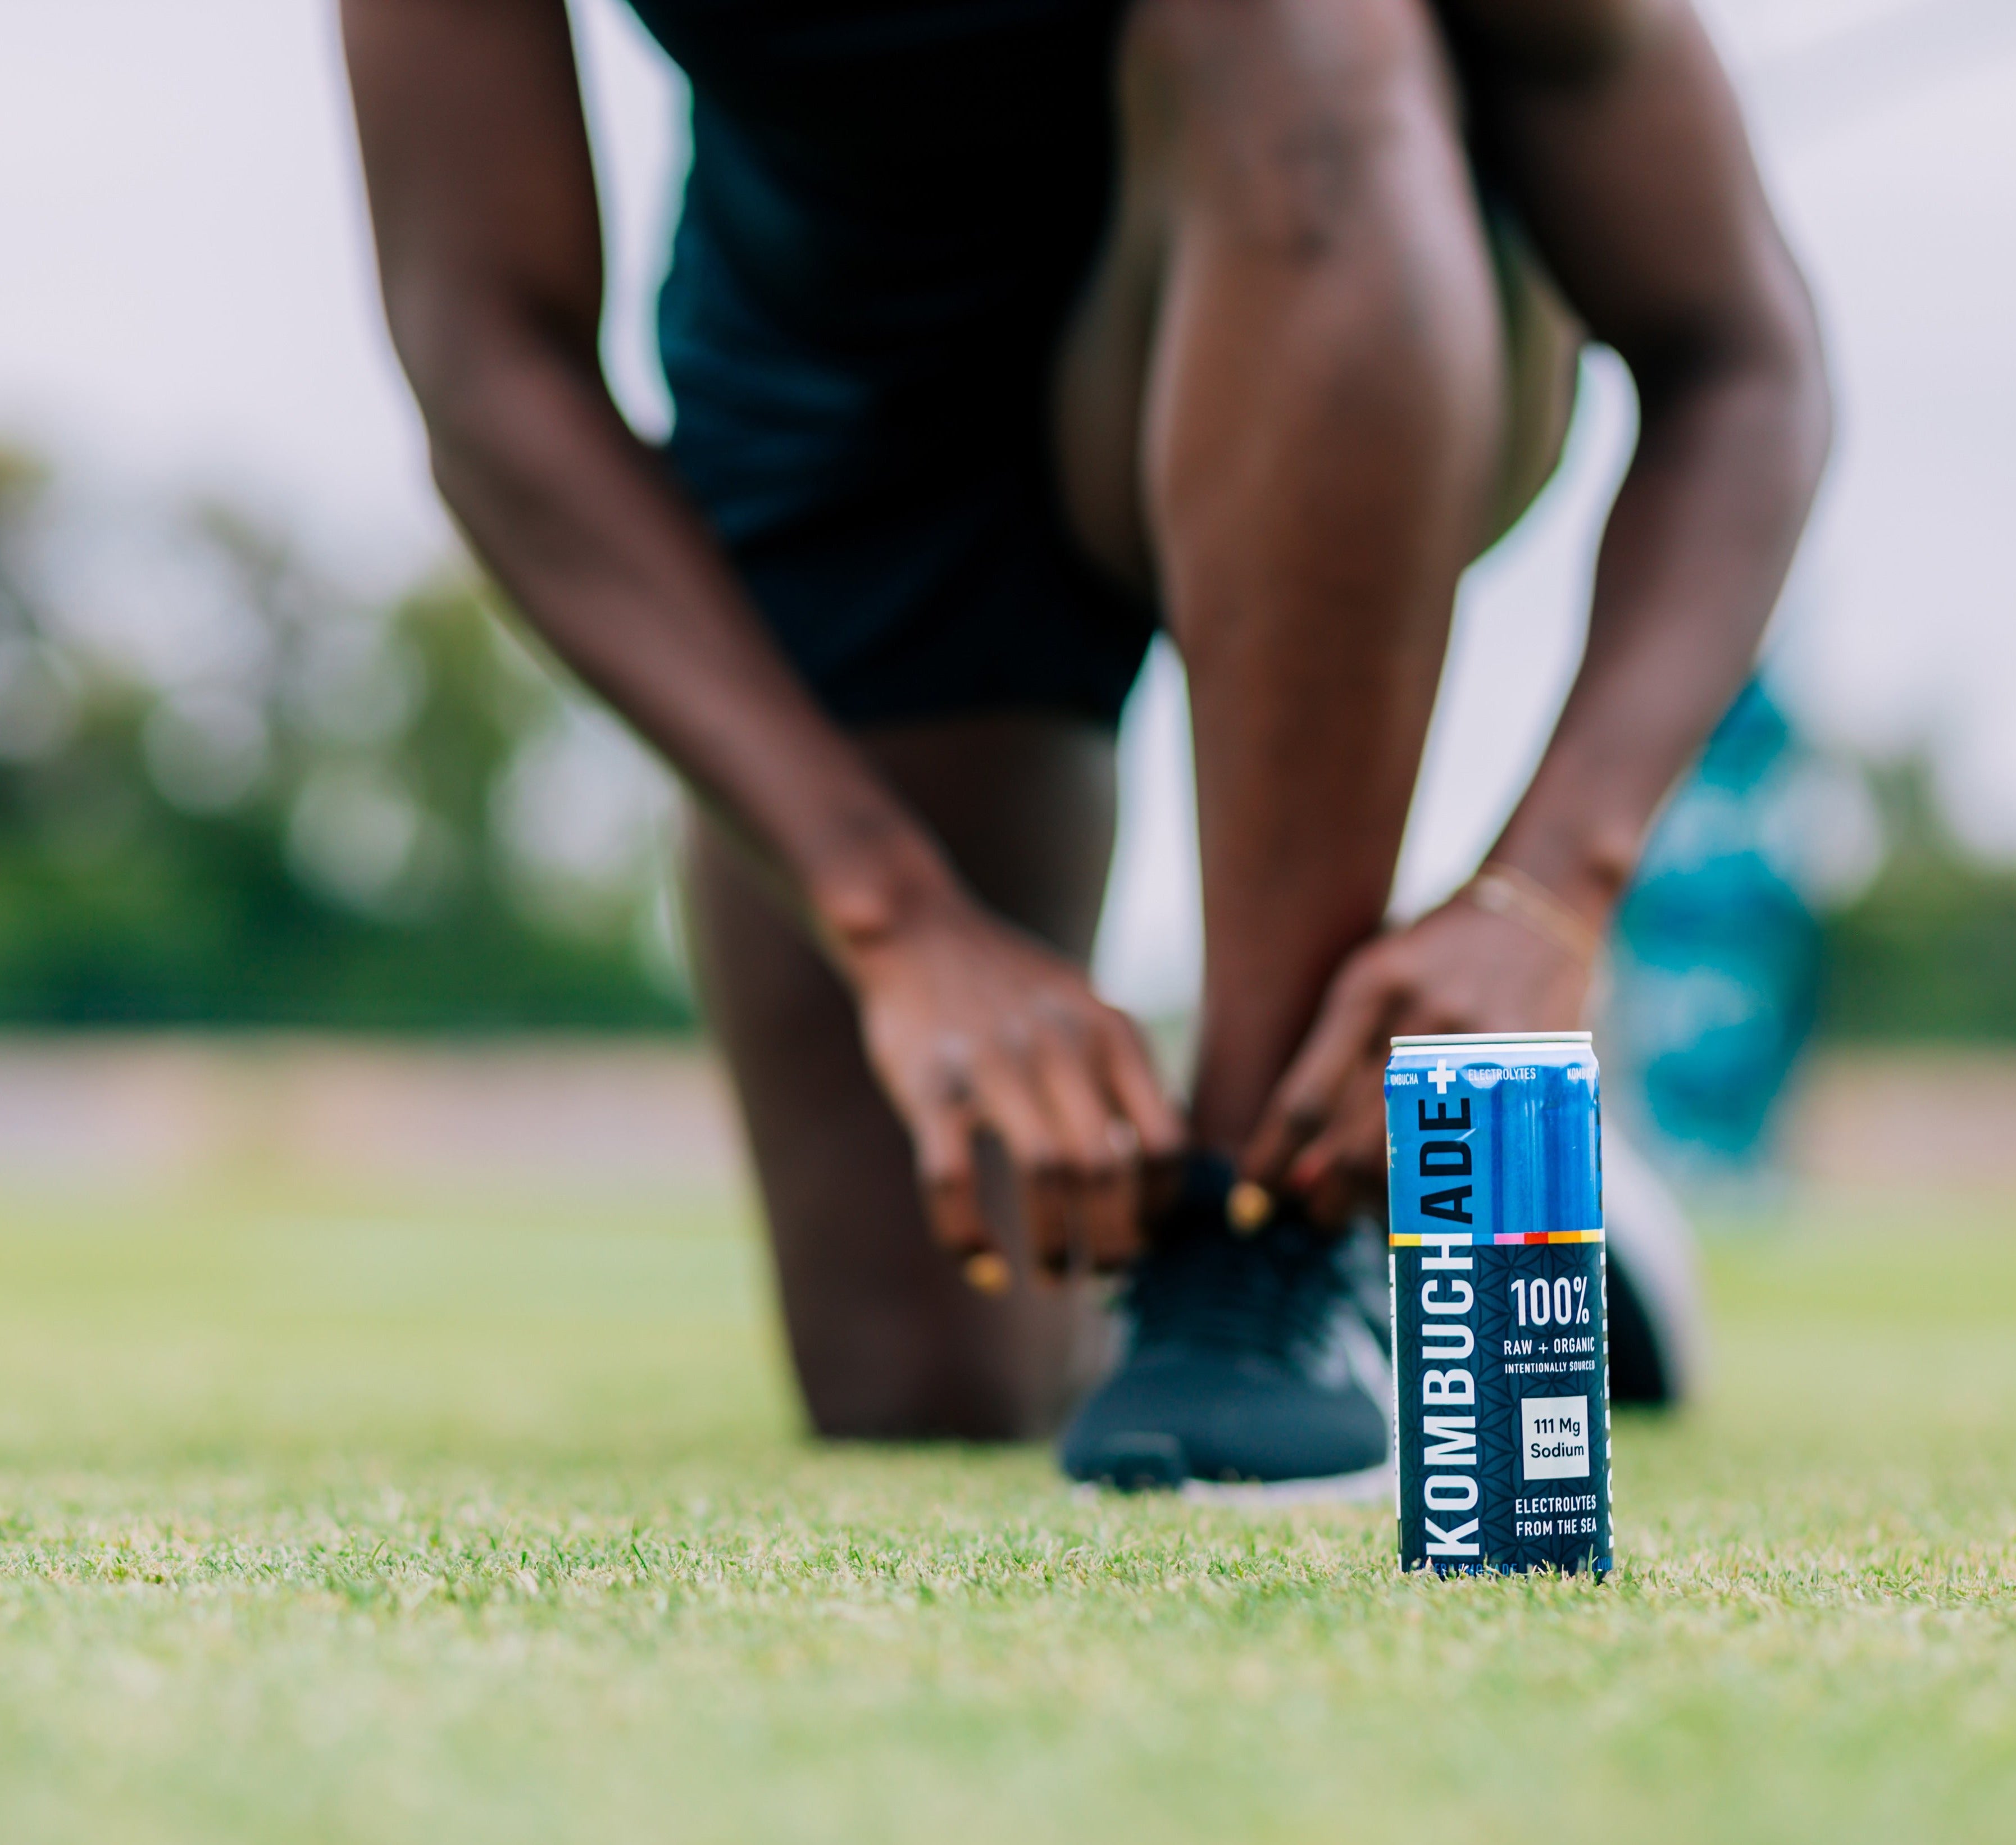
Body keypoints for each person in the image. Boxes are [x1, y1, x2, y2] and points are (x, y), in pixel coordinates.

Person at [340, 0, 1827, 1492]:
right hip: (860, 389)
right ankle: (1404, 1223)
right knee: (922, 1378)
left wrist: (1551, 891)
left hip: (1345, 247)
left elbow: (1740, 361)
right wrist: (894, 920)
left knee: (1294, 25)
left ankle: (1265, 1229)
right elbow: (486, 353)